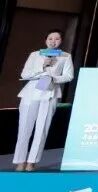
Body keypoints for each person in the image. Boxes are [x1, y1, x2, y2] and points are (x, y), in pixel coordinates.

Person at [13, 30, 75, 171]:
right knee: (24, 128)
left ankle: (32, 161)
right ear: (45, 40)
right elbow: (25, 74)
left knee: (42, 129)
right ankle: (20, 161)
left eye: (57, 39)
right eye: (50, 38)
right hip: (31, 93)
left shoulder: (65, 56)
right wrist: (42, 66)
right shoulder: (35, 55)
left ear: (61, 41)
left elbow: (69, 76)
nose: (53, 41)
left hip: (50, 93)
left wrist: (53, 78)